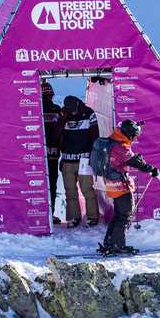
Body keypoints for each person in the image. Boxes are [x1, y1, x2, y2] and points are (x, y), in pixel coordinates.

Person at [97, 119, 160, 256]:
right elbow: (135, 161)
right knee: (125, 215)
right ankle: (117, 245)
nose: (135, 138)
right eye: (135, 136)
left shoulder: (113, 140)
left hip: (112, 183)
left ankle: (110, 242)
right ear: (129, 134)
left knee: (118, 214)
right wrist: (152, 169)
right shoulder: (121, 147)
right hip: (121, 184)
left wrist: (137, 125)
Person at [57, 95, 101, 227]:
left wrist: (91, 156)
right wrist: (63, 118)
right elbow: (58, 135)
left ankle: (92, 217)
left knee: (87, 189)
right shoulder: (64, 114)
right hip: (67, 159)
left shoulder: (89, 113)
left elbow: (95, 136)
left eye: (72, 108)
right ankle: (73, 217)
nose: (71, 111)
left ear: (77, 104)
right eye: (68, 108)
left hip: (84, 159)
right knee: (70, 190)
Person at [41, 81, 63, 221]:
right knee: (52, 184)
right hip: (53, 153)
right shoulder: (57, 110)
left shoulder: (33, 108)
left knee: (38, 183)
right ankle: (51, 213)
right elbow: (62, 131)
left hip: (35, 153)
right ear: (51, 95)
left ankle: (41, 214)